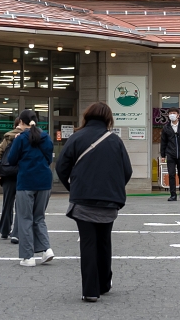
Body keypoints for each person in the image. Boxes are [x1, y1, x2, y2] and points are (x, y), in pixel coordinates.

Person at [55, 101, 132, 303]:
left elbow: (62, 167)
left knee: (88, 242)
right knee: (104, 241)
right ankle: (104, 284)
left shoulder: (76, 137)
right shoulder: (115, 141)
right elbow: (127, 171)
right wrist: (113, 188)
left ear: (87, 116)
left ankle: (90, 290)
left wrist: (74, 188)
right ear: (108, 119)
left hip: (83, 199)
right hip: (109, 199)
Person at [5, 109, 55, 266]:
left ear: (21, 122)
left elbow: (11, 159)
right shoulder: (46, 137)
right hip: (45, 181)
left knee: (25, 218)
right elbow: (48, 158)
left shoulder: (20, 138)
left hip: (26, 181)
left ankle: (28, 257)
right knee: (39, 217)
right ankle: (46, 250)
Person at [0, 115, 28, 243]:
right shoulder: (29, 136)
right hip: (22, 174)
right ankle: (17, 232)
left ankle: (4, 230)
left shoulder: (8, 137)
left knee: (7, 203)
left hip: (8, 174)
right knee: (21, 204)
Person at [158, 109, 180, 201]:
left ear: (178, 115)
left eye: (174, 113)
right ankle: (173, 194)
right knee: (171, 174)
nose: (172, 115)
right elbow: (163, 142)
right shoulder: (166, 127)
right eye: (170, 113)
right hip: (170, 155)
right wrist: (163, 155)